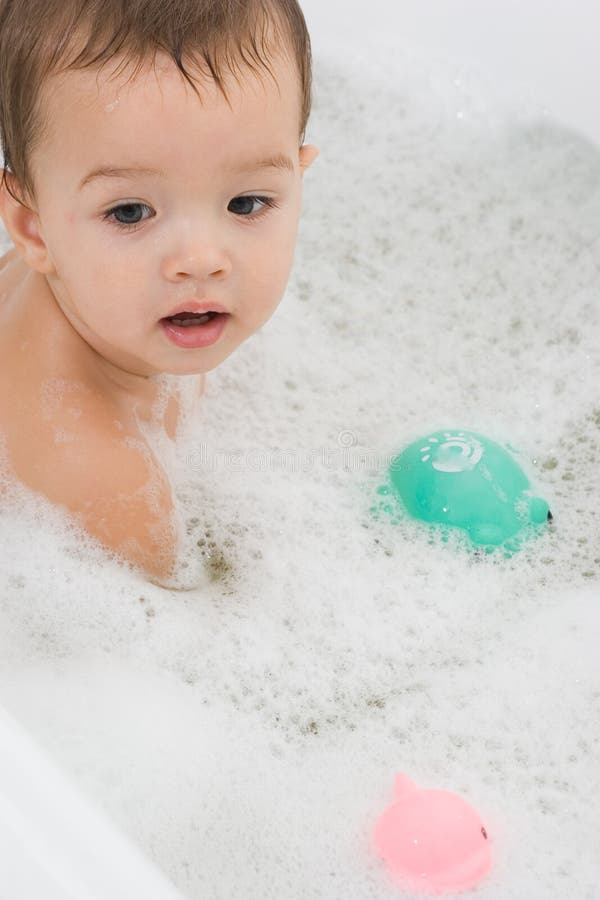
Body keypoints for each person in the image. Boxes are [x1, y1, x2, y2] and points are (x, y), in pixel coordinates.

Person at [0, 0, 319, 585]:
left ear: (300, 179)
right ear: (33, 227)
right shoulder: (107, 485)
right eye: (130, 212)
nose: (200, 260)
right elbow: (174, 633)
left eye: (246, 203)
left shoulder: (92, 291)